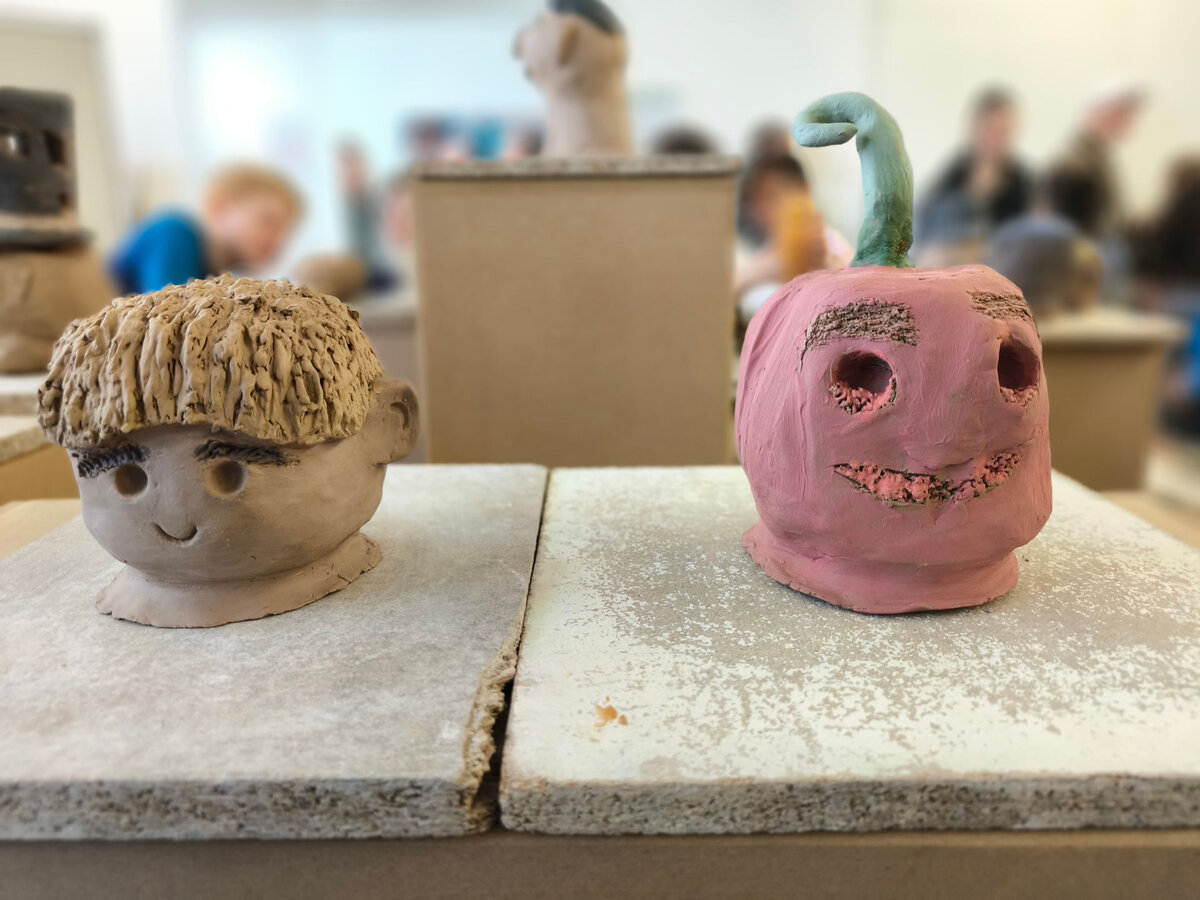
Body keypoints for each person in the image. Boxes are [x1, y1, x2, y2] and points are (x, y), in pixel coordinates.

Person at [109, 165, 303, 295]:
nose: (276, 241)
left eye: (284, 234)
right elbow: (167, 309)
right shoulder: (176, 234)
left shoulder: (216, 273)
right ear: (218, 206)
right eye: (268, 221)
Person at [914, 87, 1033, 261]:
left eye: (1002, 132)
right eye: (988, 130)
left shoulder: (1026, 188)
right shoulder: (948, 180)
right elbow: (924, 237)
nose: (992, 140)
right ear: (973, 128)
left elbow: (1027, 246)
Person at [734, 153, 853, 322]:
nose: (770, 209)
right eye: (763, 200)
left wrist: (826, 263)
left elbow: (856, 280)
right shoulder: (763, 253)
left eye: (777, 196)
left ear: (806, 192)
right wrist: (764, 269)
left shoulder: (827, 242)